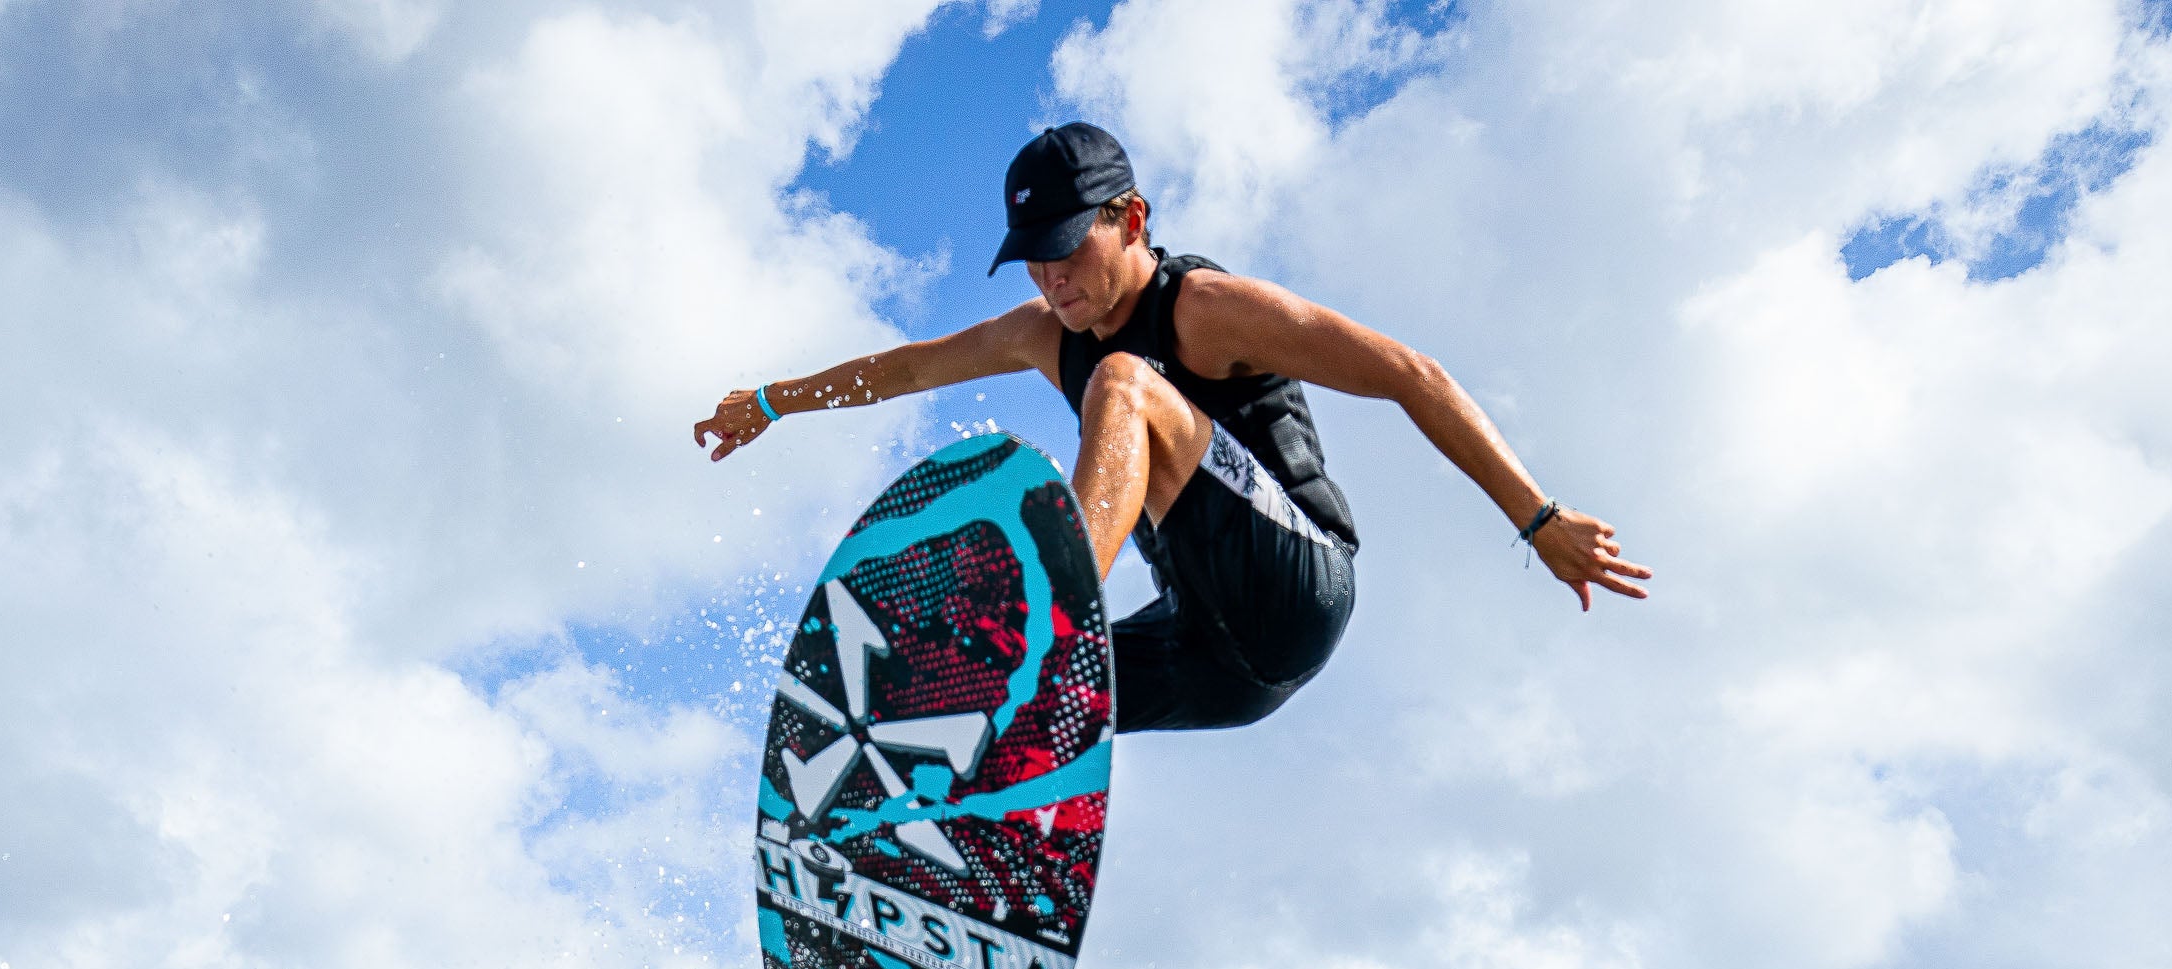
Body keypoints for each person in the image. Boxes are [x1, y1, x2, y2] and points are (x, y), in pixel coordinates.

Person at [693, 120, 1650, 736]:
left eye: (1069, 250)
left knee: (1125, 381)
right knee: (1003, 715)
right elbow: (909, 368)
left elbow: (1411, 374)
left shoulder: (1208, 309)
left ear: (1132, 218)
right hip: (1212, 659)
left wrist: (1538, 518)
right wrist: (776, 401)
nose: (1052, 281)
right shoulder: (1040, 331)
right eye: (1033, 261)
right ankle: (947, 905)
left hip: (1298, 587)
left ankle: (1050, 612)